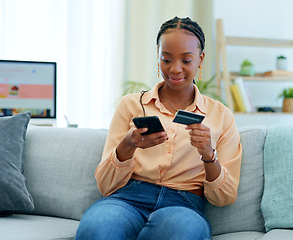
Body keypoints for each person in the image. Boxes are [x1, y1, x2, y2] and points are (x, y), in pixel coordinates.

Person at [76, 16, 242, 240]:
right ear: (158, 57)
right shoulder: (131, 105)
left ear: (200, 59)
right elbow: (105, 185)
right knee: (97, 228)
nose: (175, 69)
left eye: (186, 60)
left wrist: (208, 155)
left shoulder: (221, 116)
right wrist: (128, 145)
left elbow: (225, 196)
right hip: (127, 198)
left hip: (183, 205)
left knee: (179, 231)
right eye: (166, 59)